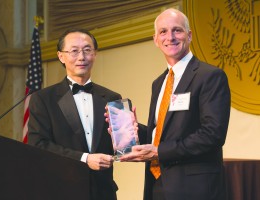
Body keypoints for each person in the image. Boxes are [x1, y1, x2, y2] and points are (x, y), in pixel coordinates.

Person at [116, 8, 231, 200]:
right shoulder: (158, 83)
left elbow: (213, 134)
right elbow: (164, 133)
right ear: (155, 40)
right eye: (163, 32)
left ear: (189, 35)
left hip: (195, 189)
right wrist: (137, 131)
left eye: (177, 30)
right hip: (157, 184)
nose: (170, 37)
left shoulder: (209, 76)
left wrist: (159, 152)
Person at [28, 28, 121, 200]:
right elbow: (38, 144)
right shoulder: (43, 99)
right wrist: (85, 159)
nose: (81, 57)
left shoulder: (111, 97)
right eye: (74, 51)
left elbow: (121, 143)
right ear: (61, 56)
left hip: (102, 192)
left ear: (95, 54)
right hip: (61, 191)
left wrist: (133, 129)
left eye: (87, 50)